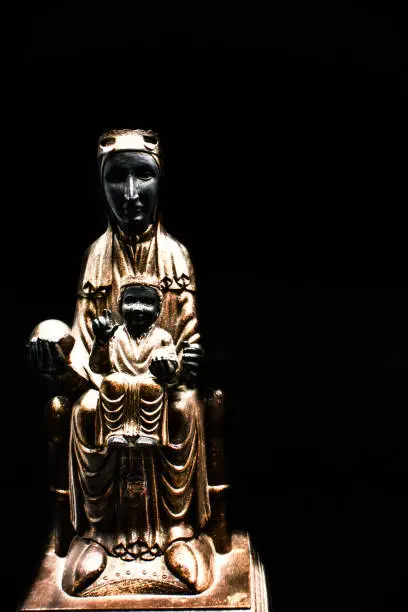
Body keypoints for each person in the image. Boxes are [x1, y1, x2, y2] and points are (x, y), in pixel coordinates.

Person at [28, 129, 213, 595]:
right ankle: (97, 535)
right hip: (107, 375)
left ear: (160, 181)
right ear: (101, 185)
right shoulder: (96, 257)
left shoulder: (176, 256)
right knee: (85, 411)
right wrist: (50, 342)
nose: (131, 194)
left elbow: (189, 337)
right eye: (118, 178)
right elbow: (82, 334)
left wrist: (187, 359)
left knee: (185, 409)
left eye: (143, 176)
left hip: (160, 381)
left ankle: (178, 534)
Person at [90, 275, 178, 449]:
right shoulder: (114, 335)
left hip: (149, 383)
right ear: (120, 306)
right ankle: (114, 431)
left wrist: (165, 367)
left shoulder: (163, 337)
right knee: (110, 382)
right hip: (119, 382)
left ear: (158, 309)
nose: (138, 308)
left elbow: (172, 369)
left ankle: (149, 433)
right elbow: (98, 367)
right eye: (130, 301)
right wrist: (101, 342)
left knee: (153, 387)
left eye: (147, 303)